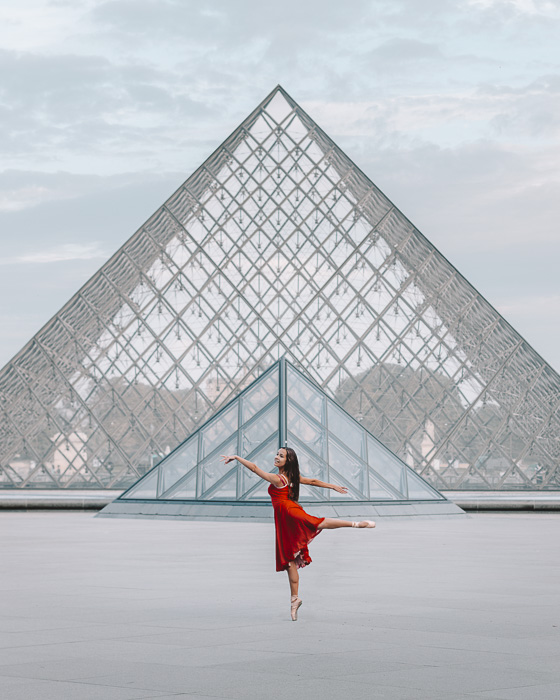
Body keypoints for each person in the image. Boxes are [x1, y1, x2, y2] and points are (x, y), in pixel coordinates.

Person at [220, 446, 375, 621]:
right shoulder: (292, 478)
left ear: (288, 460)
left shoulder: (278, 479)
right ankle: (295, 599)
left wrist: (237, 457)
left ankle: (356, 524)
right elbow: (314, 481)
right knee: (289, 560)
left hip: (288, 513)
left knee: (316, 523)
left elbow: (255, 469)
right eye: (277, 454)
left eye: (281, 456)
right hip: (285, 519)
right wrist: (332, 486)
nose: (277, 457)